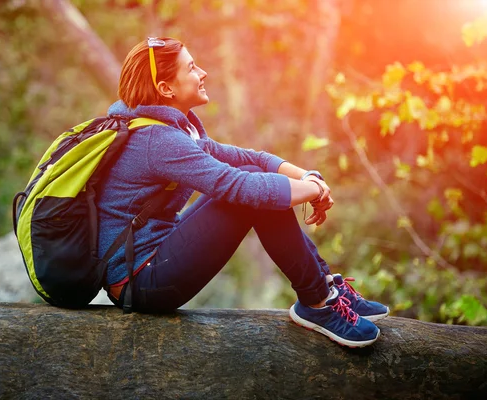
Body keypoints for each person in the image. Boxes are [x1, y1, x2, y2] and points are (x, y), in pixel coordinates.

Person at [97, 37, 389, 348]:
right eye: (192, 68)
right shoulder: (157, 140)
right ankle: (318, 301)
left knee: (254, 178)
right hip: (140, 282)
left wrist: (308, 177)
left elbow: (250, 158)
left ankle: (323, 288)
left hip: (150, 260)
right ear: (166, 89)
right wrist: (312, 191)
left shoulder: (167, 130)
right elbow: (239, 186)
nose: (203, 73)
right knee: (250, 192)